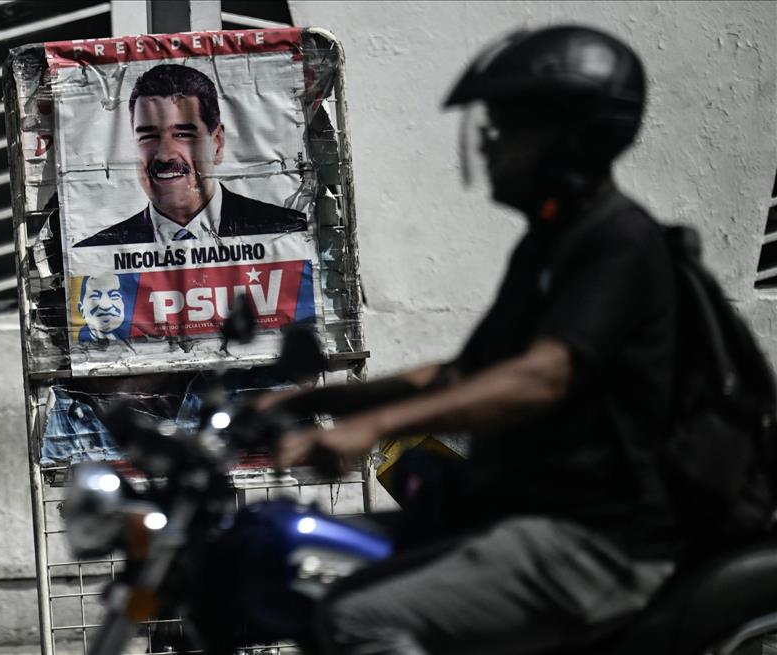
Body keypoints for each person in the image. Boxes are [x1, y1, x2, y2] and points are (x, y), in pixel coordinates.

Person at [264, 25, 685, 655]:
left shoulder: (616, 243)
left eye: (507, 126)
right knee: (301, 560)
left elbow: (540, 375)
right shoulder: (549, 245)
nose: (488, 143)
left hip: (602, 538)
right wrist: (296, 404)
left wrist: (370, 429)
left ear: (567, 139)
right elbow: (460, 373)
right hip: (538, 517)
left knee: (358, 617)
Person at [73, 64, 307, 247]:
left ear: (217, 142)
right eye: (147, 136)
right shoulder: (99, 250)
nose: (164, 155)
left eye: (183, 134)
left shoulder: (284, 231)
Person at [78, 273, 128, 342]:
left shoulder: (136, 340)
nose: (106, 306)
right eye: (95, 297)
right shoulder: (78, 344)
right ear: (82, 309)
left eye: (114, 296)